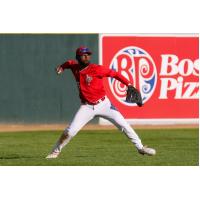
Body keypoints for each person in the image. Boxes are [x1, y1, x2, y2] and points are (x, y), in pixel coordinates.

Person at [46, 46, 156, 159]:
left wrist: (128, 84)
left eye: (88, 54)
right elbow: (69, 63)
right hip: (87, 107)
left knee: (124, 124)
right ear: (78, 57)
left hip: (104, 104)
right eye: (84, 55)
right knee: (70, 132)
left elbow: (115, 74)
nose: (86, 56)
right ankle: (55, 152)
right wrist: (62, 67)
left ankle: (140, 148)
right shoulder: (75, 67)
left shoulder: (97, 69)